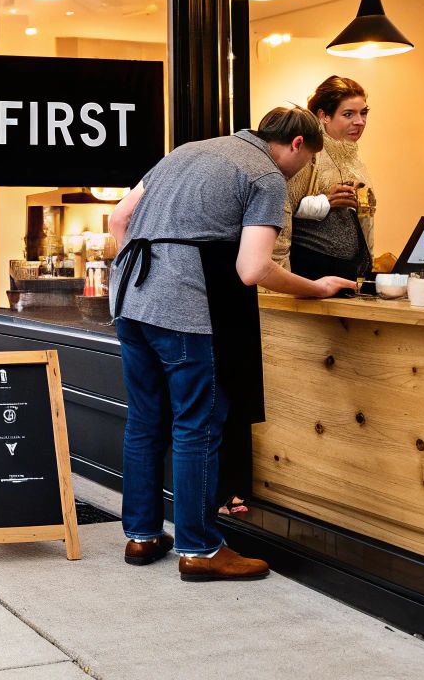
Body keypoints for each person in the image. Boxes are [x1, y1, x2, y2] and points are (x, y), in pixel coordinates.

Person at [106, 107, 355, 581]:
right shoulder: (265, 174)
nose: (300, 172)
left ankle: (141, 536)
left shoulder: (188, 151)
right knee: (197, 422)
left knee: (144, 420)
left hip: (130, 299)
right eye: (305, 161)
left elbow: (120, 219)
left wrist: (148, 280)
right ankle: (199, 548)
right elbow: (253, 269)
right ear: (298, 145)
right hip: (182, 307)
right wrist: (317, 287)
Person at [277, 75, 376, 281]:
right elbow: (280, 209)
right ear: (324, 116)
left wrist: (369, 266)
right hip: (308, 273)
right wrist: (325, 202)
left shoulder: (356, 161)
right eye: (348, 114)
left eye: (363, 113)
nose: (360, 121)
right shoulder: (306, 153)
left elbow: (366, 221)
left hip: (351, 272)